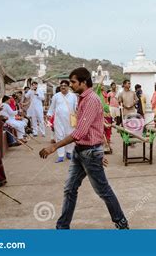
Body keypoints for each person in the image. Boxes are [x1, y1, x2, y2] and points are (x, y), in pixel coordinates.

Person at [39, 67, 129, 229]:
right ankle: (62, 226)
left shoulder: (91, 100)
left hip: (89, 152)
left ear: (83, 82)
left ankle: (121, 222)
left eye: (73, 82)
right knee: (70, 189)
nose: (71, 85)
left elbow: (79, 132)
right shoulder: (82, 98)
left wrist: (54, 147)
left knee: (103, 191)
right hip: (81, 151)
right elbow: (91, 128)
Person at [47, 80, 78, 163]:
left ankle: (69, 152)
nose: (63, 87)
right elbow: (52, 107)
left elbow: (76, 107)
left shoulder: (73, 96)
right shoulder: (56, 96)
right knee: (59, 136)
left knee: (69, 137)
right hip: (59, 120)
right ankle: (60, 155)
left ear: (68, 87)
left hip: (70, 121)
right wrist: (49, 114)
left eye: (65, 85)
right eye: (61, 86)